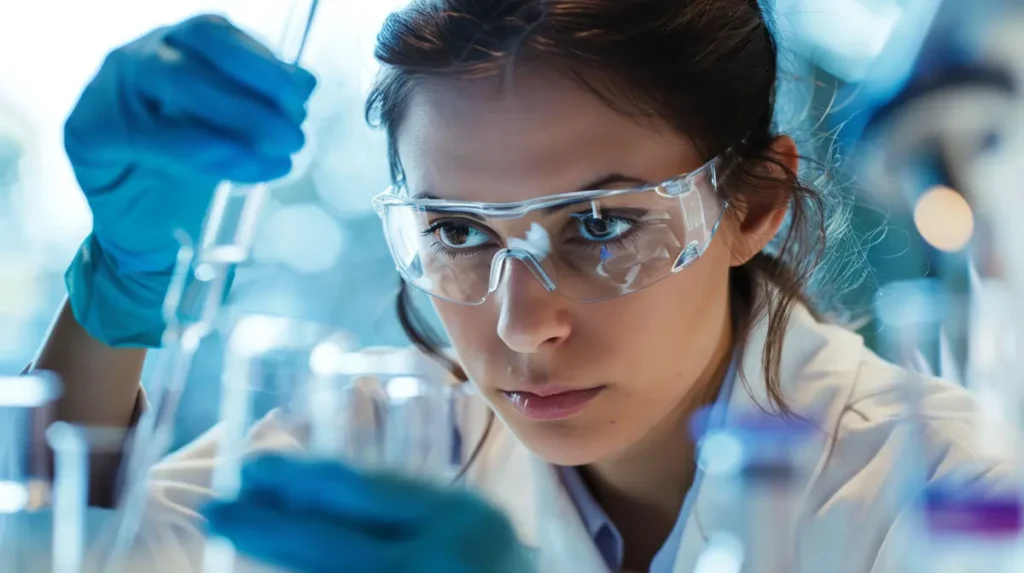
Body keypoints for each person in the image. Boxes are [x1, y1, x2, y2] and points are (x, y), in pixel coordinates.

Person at [32, 1, 1021, 572]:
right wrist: (122, 275)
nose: (521, 325)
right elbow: (78, 550)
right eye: (455, 231)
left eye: (600, 225)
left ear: (753, 205)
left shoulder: (948, 496)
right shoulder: (384, 440)